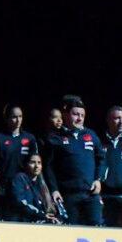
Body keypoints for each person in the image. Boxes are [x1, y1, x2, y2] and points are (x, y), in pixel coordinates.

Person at [44, 96, 105, 226]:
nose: (79, 118)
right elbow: (48, 167)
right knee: (71, 230)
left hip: (90, 193)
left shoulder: (91, 135)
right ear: (65, 115)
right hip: (68, 195)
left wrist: (98, 179)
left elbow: (102, 159)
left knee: (96, 228)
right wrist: (54, 189)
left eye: (82, 115)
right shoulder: (55, 138)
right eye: (75, 114)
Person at [0, 104, 39, 220]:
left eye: (20, 116)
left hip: (24, 188)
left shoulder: (30, 138)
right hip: (5, 188)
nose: (18, 120)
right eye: (14, 117)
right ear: (7, 118)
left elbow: (36, 163)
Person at [8, 153, 62, 224]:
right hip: (21, 222)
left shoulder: (41, 184)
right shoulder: (19, 179)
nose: (36, 166)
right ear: (26, 164)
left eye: (39, 163)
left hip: (38, 221)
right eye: (33, 162)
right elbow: (20, 203)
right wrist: (42, 215)